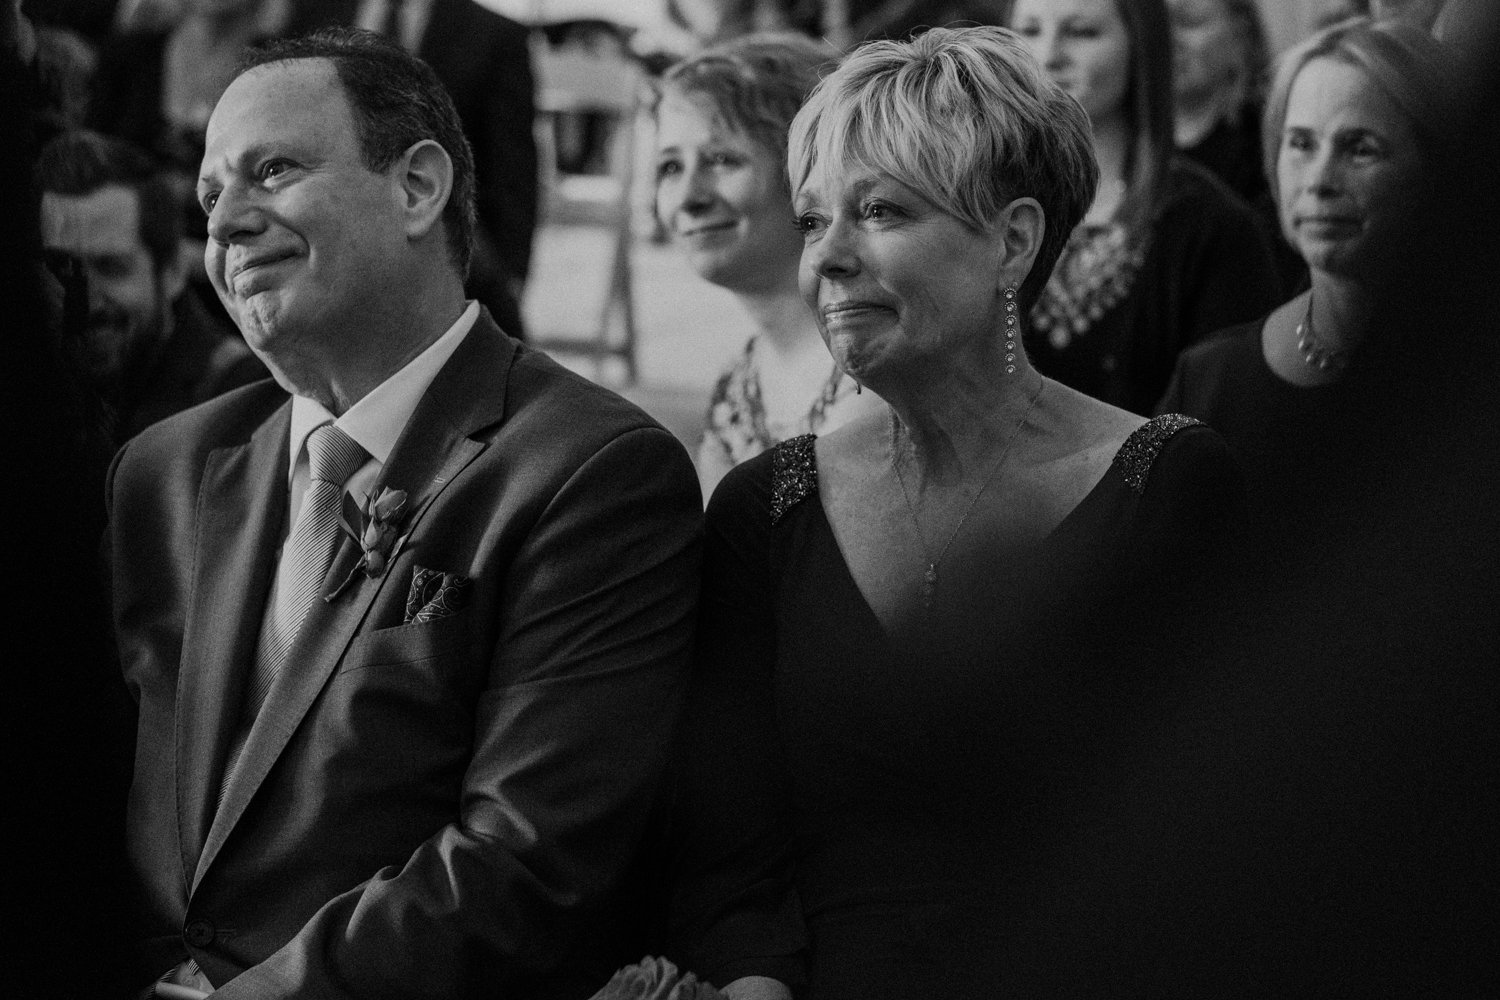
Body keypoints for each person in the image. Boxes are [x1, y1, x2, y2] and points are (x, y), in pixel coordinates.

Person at [108, 28, 702, 998]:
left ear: (418, 187)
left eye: (272, 171)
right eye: (212, 195)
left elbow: (526, 864)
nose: (226, 226)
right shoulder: (163, 472)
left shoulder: (589, 472)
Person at [669, 26, 1240, 998]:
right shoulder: (765, 508)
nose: (831, 259)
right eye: (813, 221)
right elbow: (726, 851)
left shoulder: (1168, 489)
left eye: (881, 210)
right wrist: (755, 978)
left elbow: (1231, 835)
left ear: (1013, 240)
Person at [1156, 18, 1450, 527]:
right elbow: (1134, 556)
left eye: (1361, 148)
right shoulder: (1208, 381)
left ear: (1440, 171)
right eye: (1301, 144)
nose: (1319, 181)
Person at [1009, 0, 1281, 414]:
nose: (1048, 56)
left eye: (1082, 32)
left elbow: (1225, 422)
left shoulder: (1209, 226)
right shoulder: (975, 205)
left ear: (1140, 45)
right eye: (1029, 30)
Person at [654, 33, 884, 501]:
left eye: (722, 159)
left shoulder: (878, 374)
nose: (689, 198)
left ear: (811, 173)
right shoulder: (741, 383)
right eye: (671, 166)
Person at [285, 0, 538, 339]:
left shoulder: (495, 35)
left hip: (442, 245)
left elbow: (513, 169)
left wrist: (509, 274)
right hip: (317, 237)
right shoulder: (310, 16)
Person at [37, 128, 267, 447]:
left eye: (110, 267)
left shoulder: (243, 402)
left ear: (172, 271)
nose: (85, 300)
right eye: (62, 268)